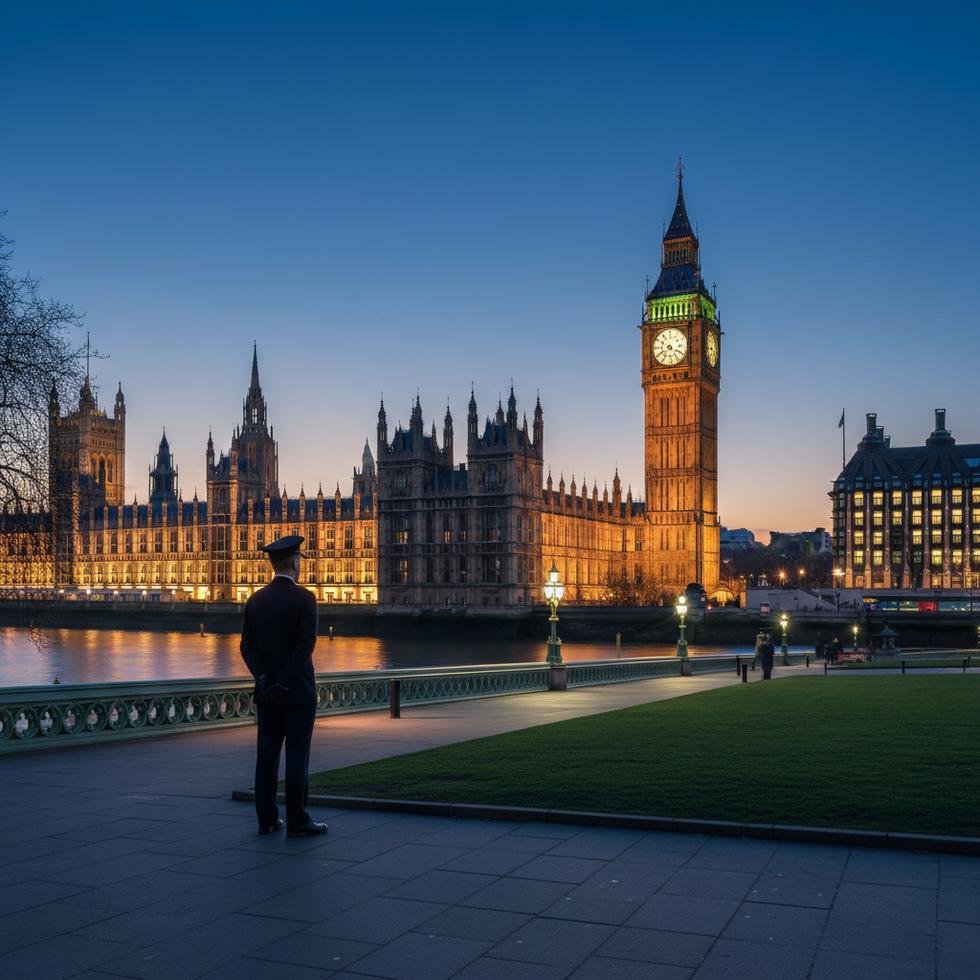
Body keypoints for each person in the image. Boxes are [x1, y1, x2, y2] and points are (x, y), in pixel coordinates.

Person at [240, 534, 327, 837]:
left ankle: (266, 819)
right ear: (293, 562)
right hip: (298, 693)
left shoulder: (255, 600)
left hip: (266, 694)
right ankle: (297, 819)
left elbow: (246, 647)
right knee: (296, 755)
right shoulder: (306, 599)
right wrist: (285, 683)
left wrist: (264, 679)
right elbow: (305, 648)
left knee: (266, 755)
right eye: (299, 560)